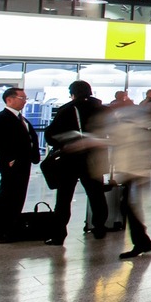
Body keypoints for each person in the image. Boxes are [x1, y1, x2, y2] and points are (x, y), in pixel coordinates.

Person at [44, 81, 109, 246]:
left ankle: (59, 235)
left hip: (71, 160)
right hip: (95, 158)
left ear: (72, 93)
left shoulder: (67, 109)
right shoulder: (103, 109)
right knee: (96, 195)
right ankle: (100, 228)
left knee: (64, 197)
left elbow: (51, 135)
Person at [100, 101, 151, 259]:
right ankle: (143, 242)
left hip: (134, 173)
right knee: (130, 207)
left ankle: (141, 242)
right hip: (135, 172)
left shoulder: (127, 126)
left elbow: (119, 143)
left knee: (129, 207)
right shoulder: (138, 124)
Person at [0, 87, 40, 243]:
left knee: (17, 197)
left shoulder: (20, 118)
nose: (24, 102)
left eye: (25, 99)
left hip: (23, 163)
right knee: (6, 197)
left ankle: (9, 229)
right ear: (9, 99)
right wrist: (10, 159)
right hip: (12, 165)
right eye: (22, 98)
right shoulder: (1, 118)